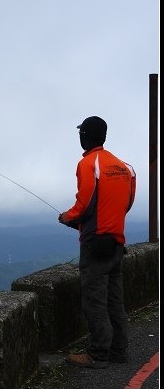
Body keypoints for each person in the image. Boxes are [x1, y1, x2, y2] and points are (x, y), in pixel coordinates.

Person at [58, 115, 136, 369]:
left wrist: (66, 218)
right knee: (115, 300)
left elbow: (84, 204)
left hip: (95, 244)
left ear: (86, 136)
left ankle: (98, 354)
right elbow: (127, 204)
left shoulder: (89, 164)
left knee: (94, 300)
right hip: (116, 241)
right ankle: (119, 351)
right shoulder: (125, 167)